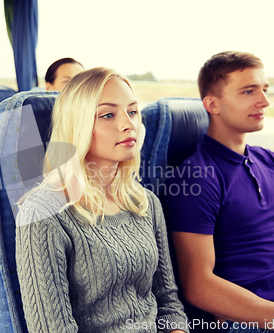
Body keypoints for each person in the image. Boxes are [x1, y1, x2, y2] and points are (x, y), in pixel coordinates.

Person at [166, 51, 274, 333]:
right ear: (212, 104)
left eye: (264, 90)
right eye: (248, 91)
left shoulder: (269, 161)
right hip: (250, 321)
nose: (264, 101)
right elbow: (198, 286)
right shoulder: (196, 177)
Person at [16, 67, 188, 332]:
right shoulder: (43, 212)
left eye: (132, 112)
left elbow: (167, 300)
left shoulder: (146, 202)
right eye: (108, 114)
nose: (128, 124)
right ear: (78, 127)